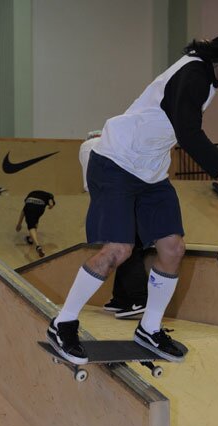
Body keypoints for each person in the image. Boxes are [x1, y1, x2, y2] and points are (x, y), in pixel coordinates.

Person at [47, 19, 218, 366]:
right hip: (116, 161)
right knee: (119, 250)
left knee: (173, 248)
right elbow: (188, 133)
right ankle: (63, 322)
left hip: (151, 171)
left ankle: (149, 328)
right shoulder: (194, 75)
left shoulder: (211, 72)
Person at [80, 131, 148, 319]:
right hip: (130, 201)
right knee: (123, 250)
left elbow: (90, 185)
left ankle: (138, 300)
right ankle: (122, 298)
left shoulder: (90, 147)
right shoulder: (119, 146)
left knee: (126, 250)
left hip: (120, 201)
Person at [15, 189, 55, 257]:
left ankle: (35, 242)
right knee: (34, 221)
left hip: (30, 204)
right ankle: (34, 242)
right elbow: (51, 202)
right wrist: (51, 205)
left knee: (31, 225)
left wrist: (19, 224)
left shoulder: (31, 194)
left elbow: (24, 210)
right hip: (40, 207)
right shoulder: (49, 196)